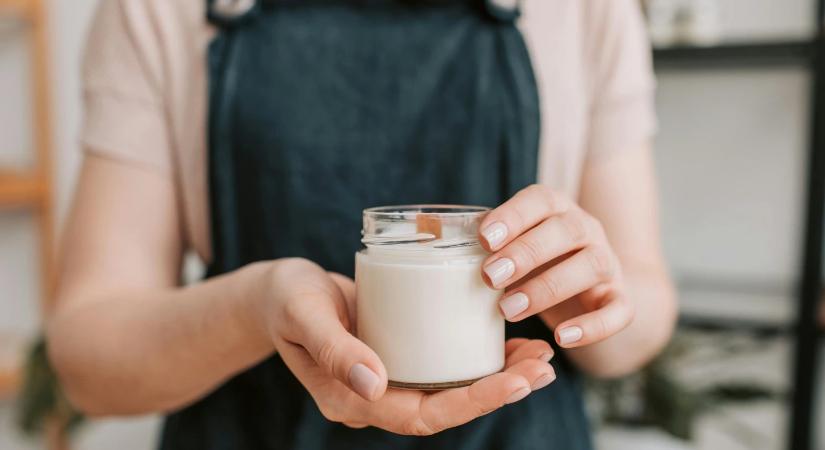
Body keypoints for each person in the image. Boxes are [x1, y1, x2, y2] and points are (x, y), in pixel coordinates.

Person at [47, 0, 677, 448]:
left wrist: (590, 305)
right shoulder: (155, 10)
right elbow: (88, 362)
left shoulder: (588, 9)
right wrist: (255, 307)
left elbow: (640, 310)